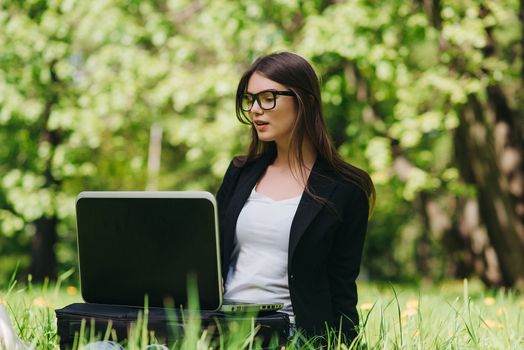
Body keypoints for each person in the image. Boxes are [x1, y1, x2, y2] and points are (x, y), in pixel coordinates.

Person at [216, 51, 375, 343]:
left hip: (291, 334)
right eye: (250, 100)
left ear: (304, 101)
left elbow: (342, 288)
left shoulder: (346, 189)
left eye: (267, 98)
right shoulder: (239, 173)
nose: (255, 110)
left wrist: (348, 344)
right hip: (222, 327)